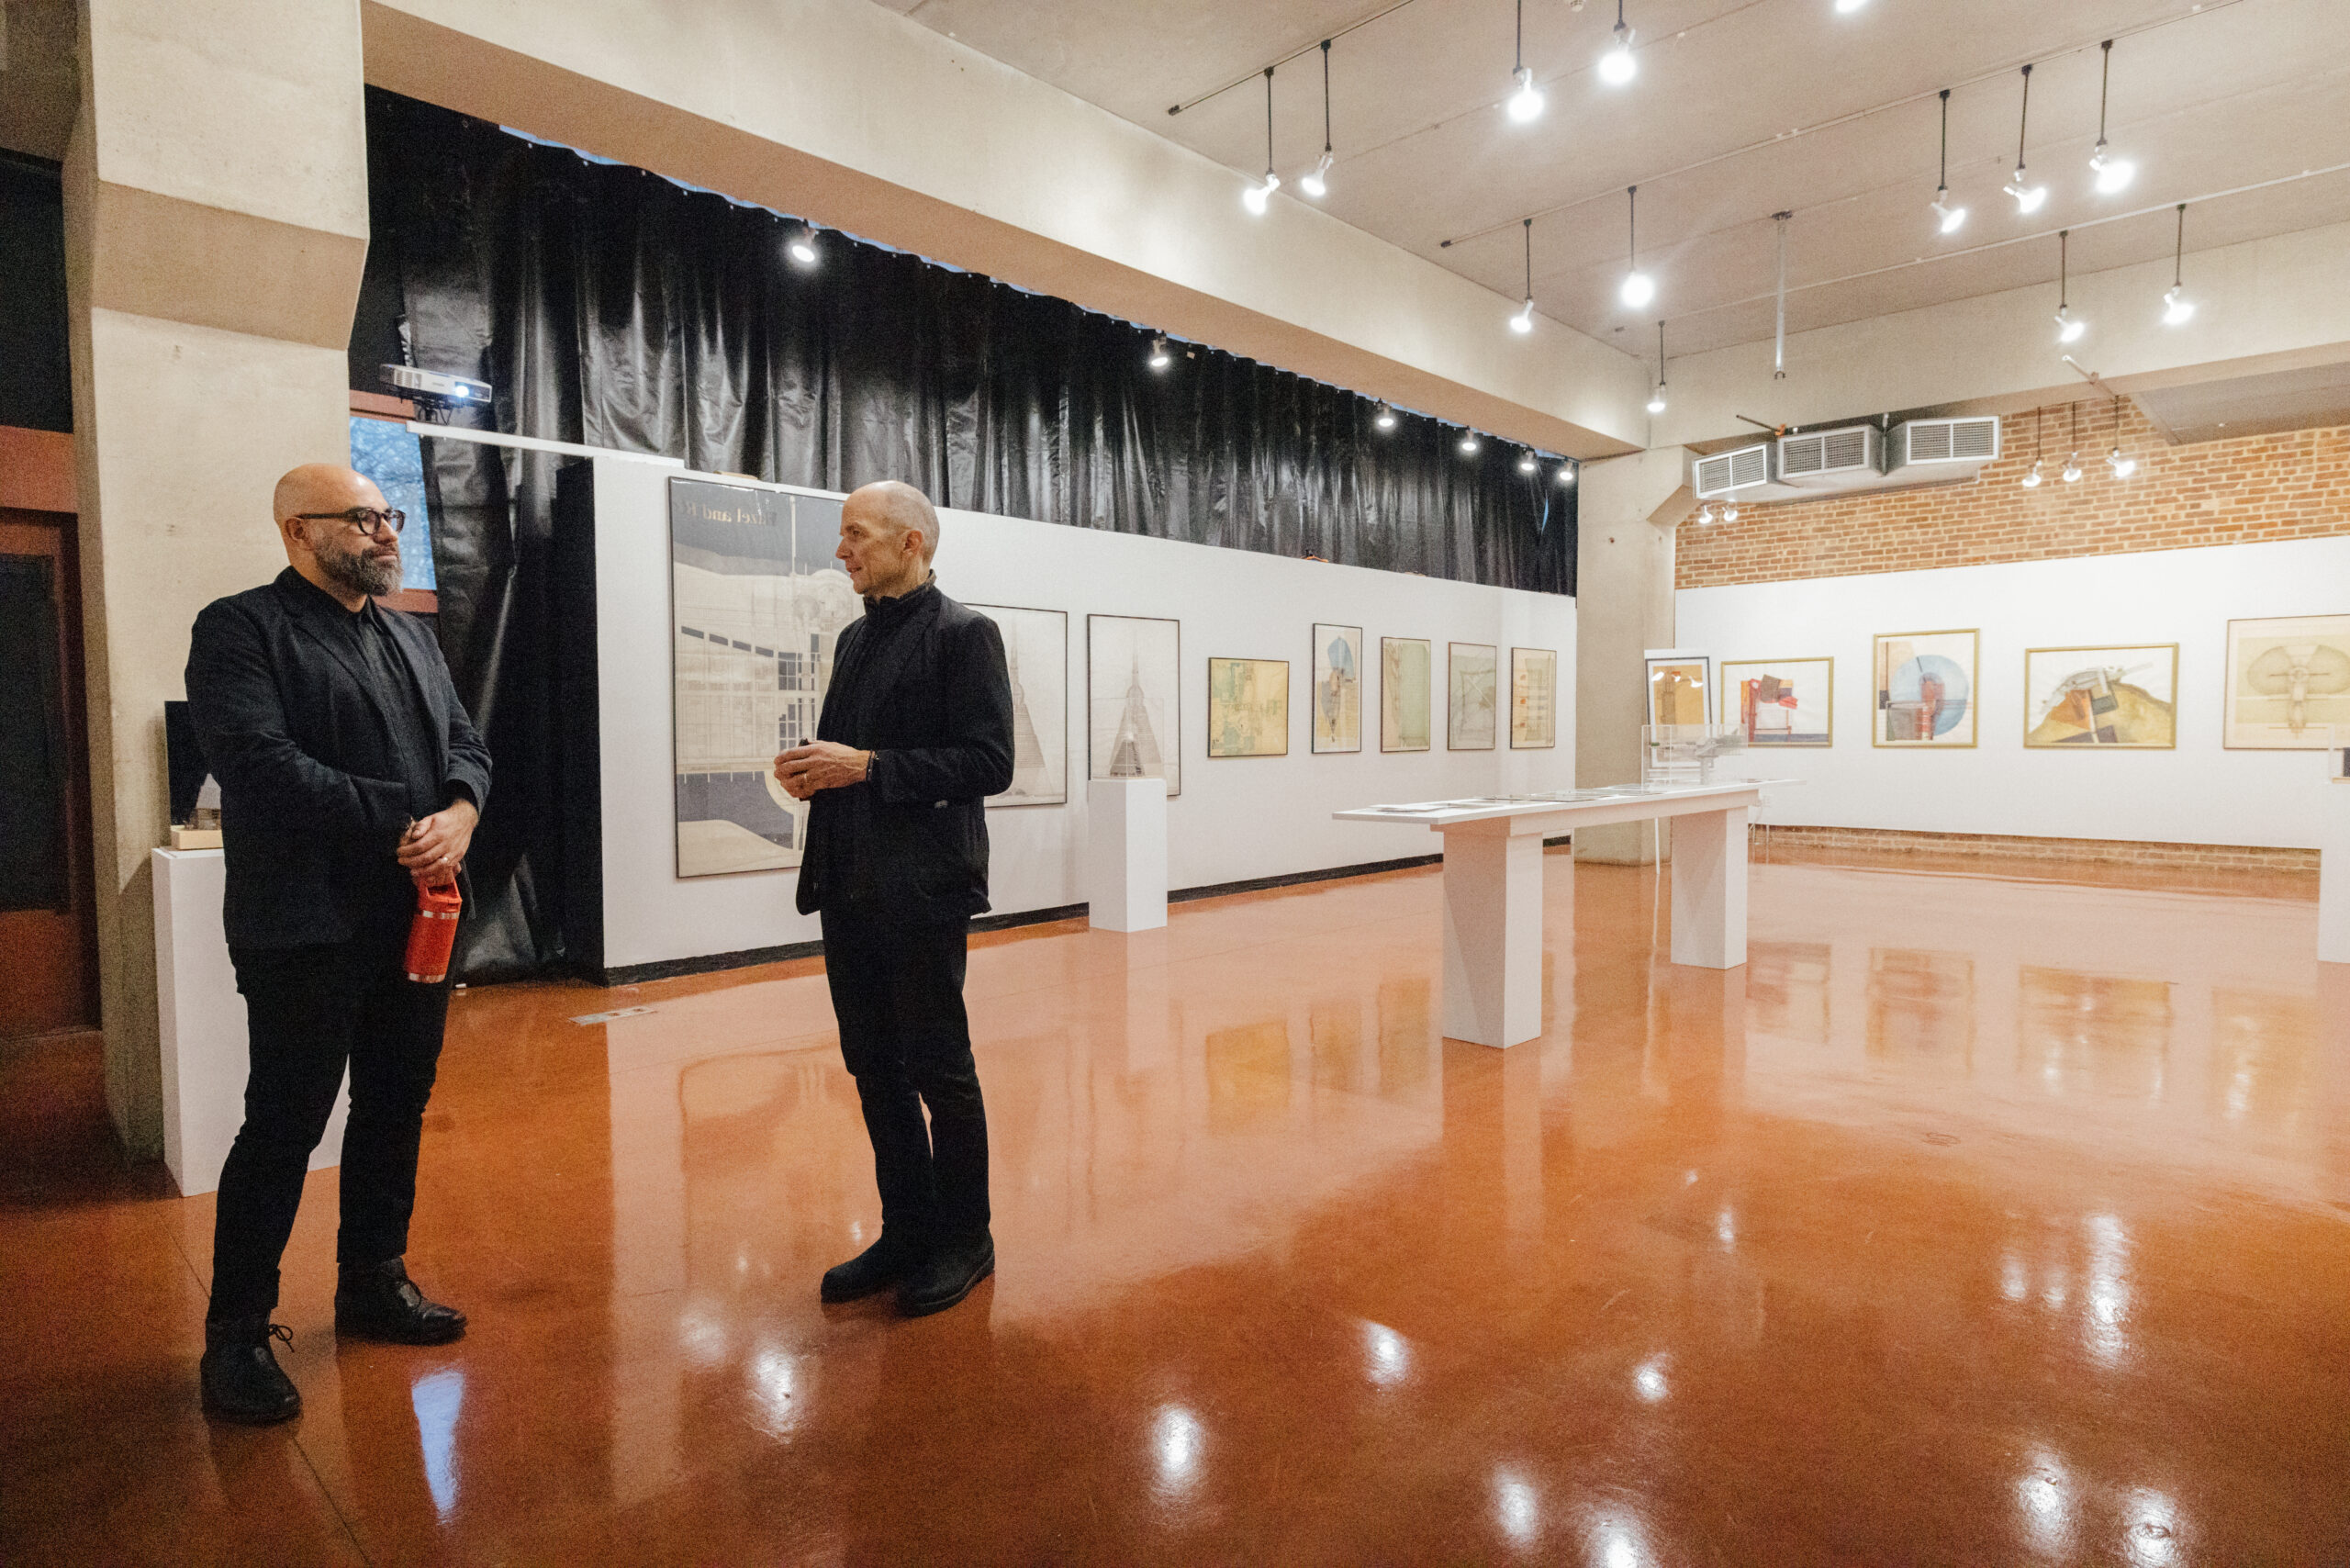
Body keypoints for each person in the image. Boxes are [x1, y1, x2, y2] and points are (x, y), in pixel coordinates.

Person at [184, 464, 491, 1424]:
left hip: (416, 914)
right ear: (296, 532)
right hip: (304, 926)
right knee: (284, 1124)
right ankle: (236, 1334)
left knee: (397, 1102)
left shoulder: (409, 634)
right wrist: (405, 817)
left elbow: (465, 744)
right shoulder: (238, 628)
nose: (384, 532)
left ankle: (371, 1278)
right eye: (362, 518)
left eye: (388, 515)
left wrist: (461, 813)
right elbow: (259, 765)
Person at [776, 481, 1013, 1317]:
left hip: (920, 889)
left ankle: (967, 1236)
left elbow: (989, 764)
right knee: (873, 1066)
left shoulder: (965, 636)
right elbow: (858, 755)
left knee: (939, 1069)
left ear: (913, 543)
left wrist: (866, 767)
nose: (843, 551)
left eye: (857, 535)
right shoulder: (852, 638)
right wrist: (820, 771)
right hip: (848, 885)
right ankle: (908, 1228)